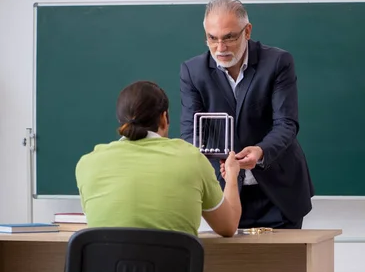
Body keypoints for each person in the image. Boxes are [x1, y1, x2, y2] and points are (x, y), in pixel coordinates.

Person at [179, 0, 314, 272]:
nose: (219, 48)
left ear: (248, 31)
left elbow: (287, 123)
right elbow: (188, 134)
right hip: (228, 194)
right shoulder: (193, 71)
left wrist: (261, 152)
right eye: (211, 39)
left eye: (228, 38)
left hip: (278, 191)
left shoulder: (277, 62)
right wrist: (220, 166)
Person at [75, 80, 241, 238]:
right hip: (171, 267)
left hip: (107, 267)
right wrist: (232, 176)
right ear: (164, 118)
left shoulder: (87, 164)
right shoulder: (191, 159)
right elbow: (228, 226)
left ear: (121, 120)